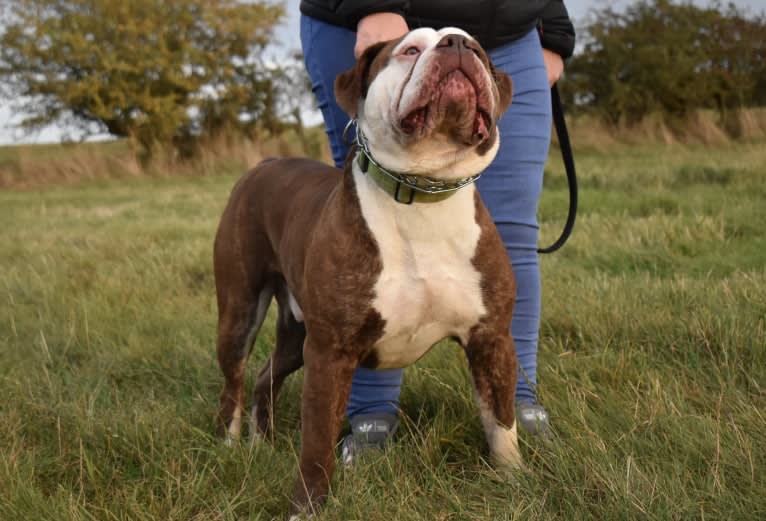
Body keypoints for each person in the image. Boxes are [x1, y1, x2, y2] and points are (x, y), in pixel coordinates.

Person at [299, 1, 575, 460]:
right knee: (359, 222)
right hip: (365, 21)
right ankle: (370, 413)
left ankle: (516, 404)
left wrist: (555, 32)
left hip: (509, 32)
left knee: (512, 231)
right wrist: (370, 6)